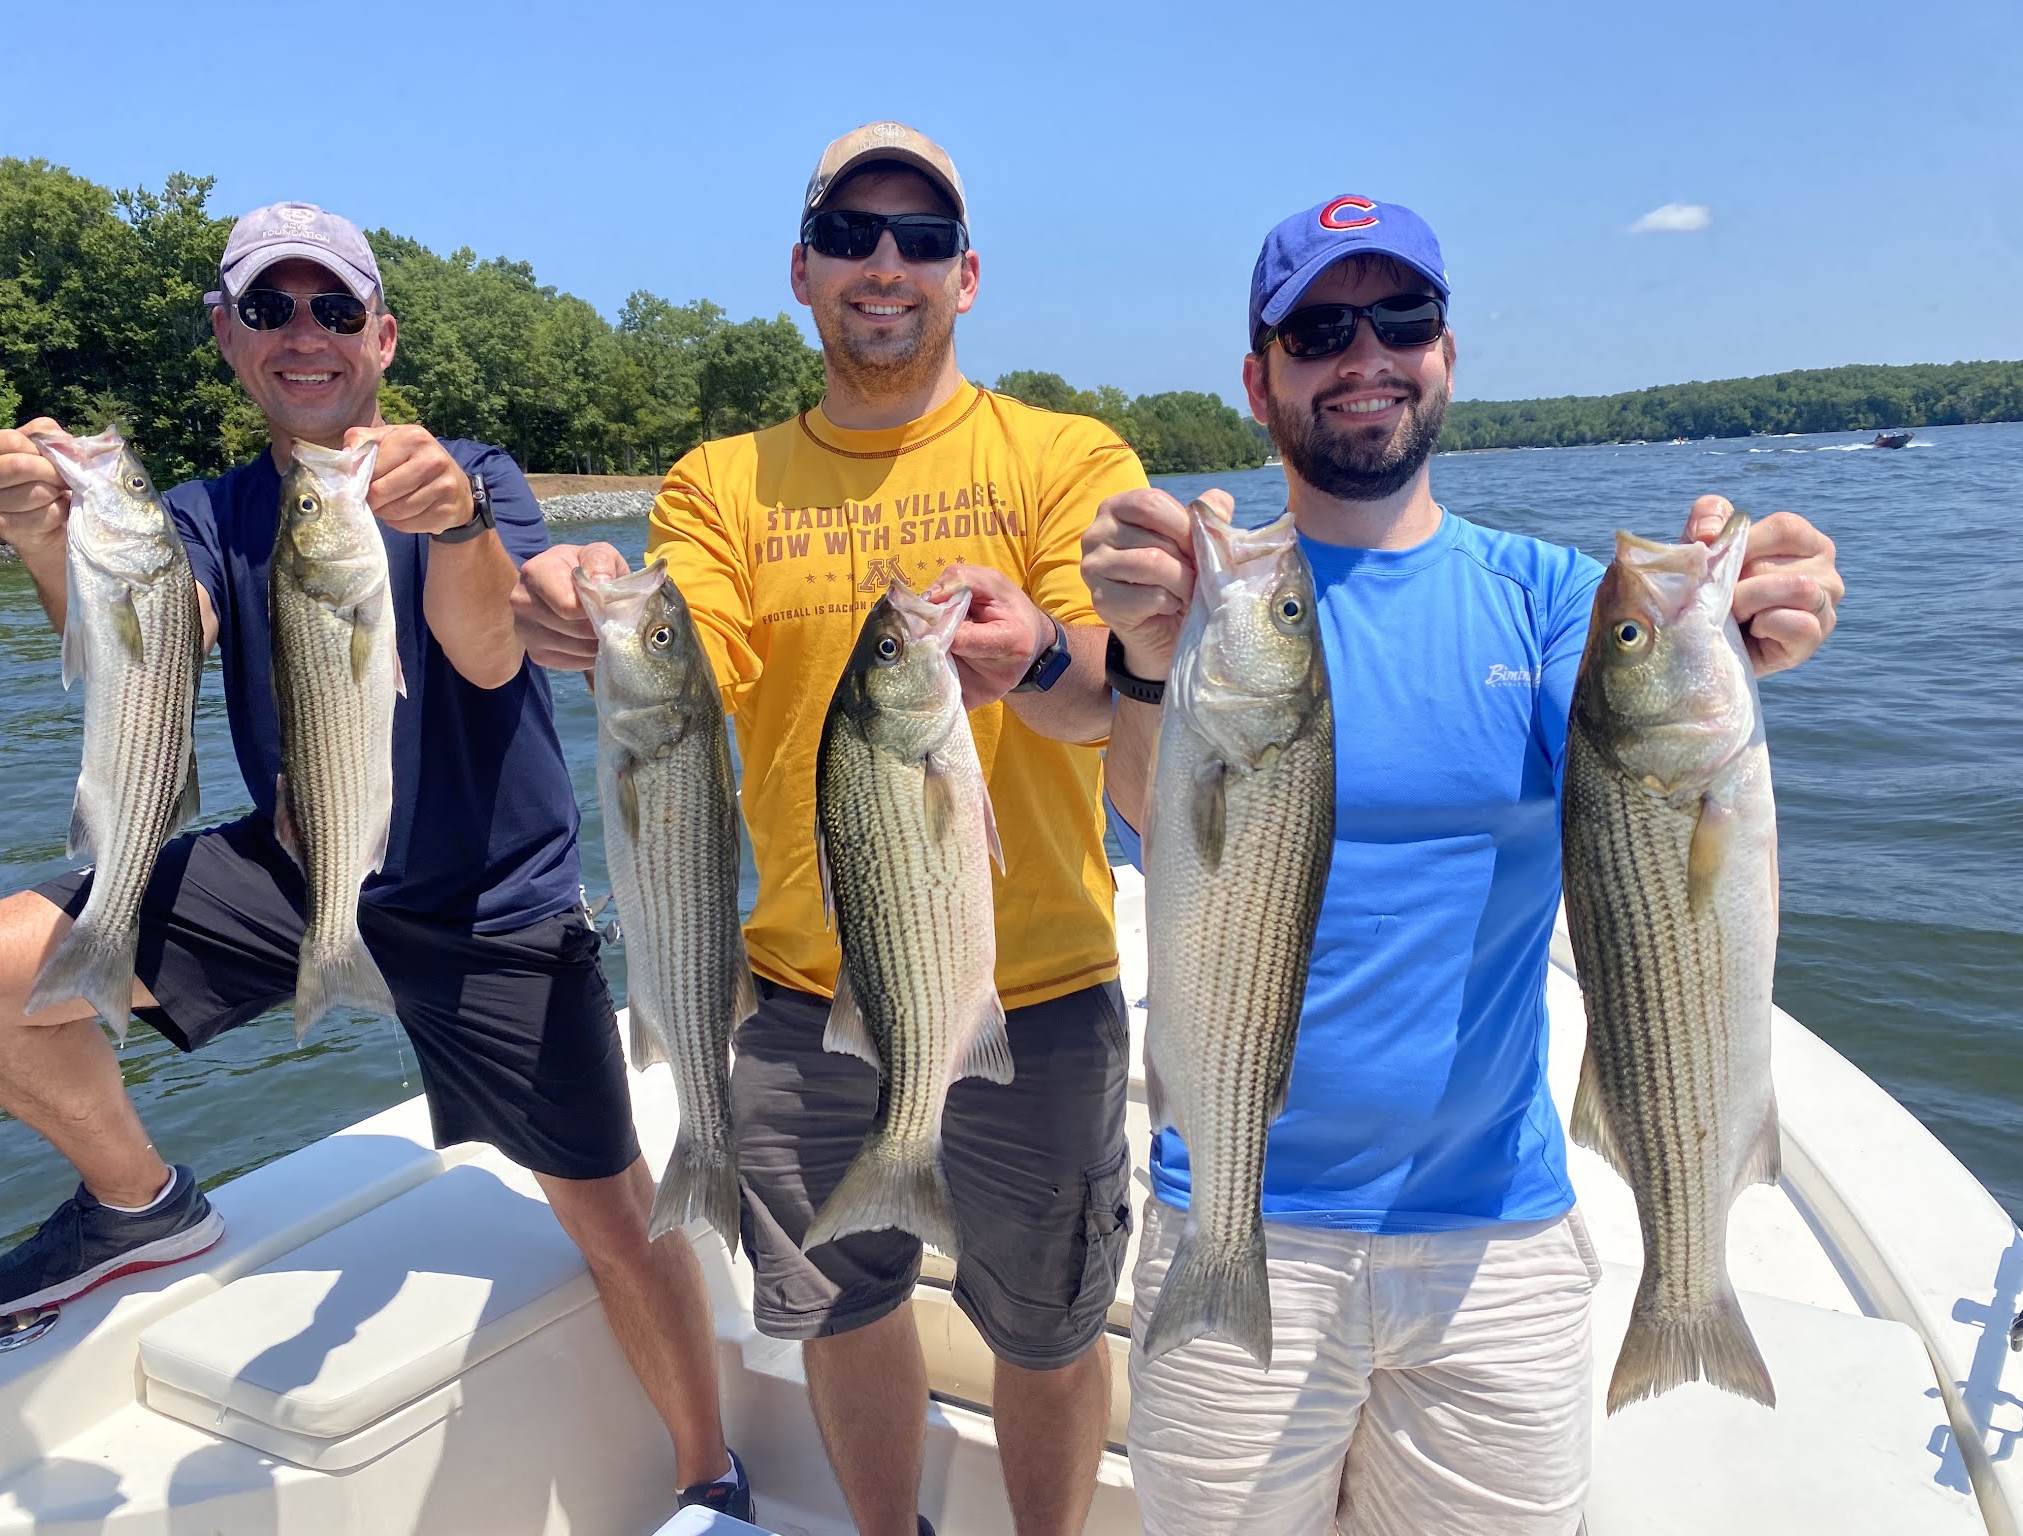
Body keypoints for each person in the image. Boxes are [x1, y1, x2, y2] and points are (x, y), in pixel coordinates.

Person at [1080, 196, 1846, 1535]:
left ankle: (1686, 1301)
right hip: (1238, 1213)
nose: (1365, 353)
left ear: (1446, 353)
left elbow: (1638, 773)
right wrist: (1149, 660)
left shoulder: (1551, 600)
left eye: (1403, 317)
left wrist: (1738, 640)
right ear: (1259, 381)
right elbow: (1157, 817)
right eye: (1320, 329)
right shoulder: (1203, 612)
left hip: (1496, 1235)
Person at [0, 203, 752, 1520]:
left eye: (334, 309)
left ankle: (709, 1477)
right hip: (301, 865)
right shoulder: (205, 514)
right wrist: (53, 541)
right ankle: (140, 1204)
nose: (304, 334)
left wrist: (459, 525)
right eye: (269, 309)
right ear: (227, 337)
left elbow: (491, 653)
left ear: (381, 339)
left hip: (490, 901)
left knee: (615, 1218)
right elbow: (149, 654)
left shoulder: (476, 475)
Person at [513, 123, 1143, 1536]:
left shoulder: (1066, 454)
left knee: (1048, 1328)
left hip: (1037, 992)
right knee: (840, 1310)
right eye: (852, 235)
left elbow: (1116, 690)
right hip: (797, 998)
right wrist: (580, 608)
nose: (885, 264)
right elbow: (685, 655)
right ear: (802, 271)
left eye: (922, 239)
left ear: (967, 276)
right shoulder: (718, 482)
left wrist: (1044, 650)